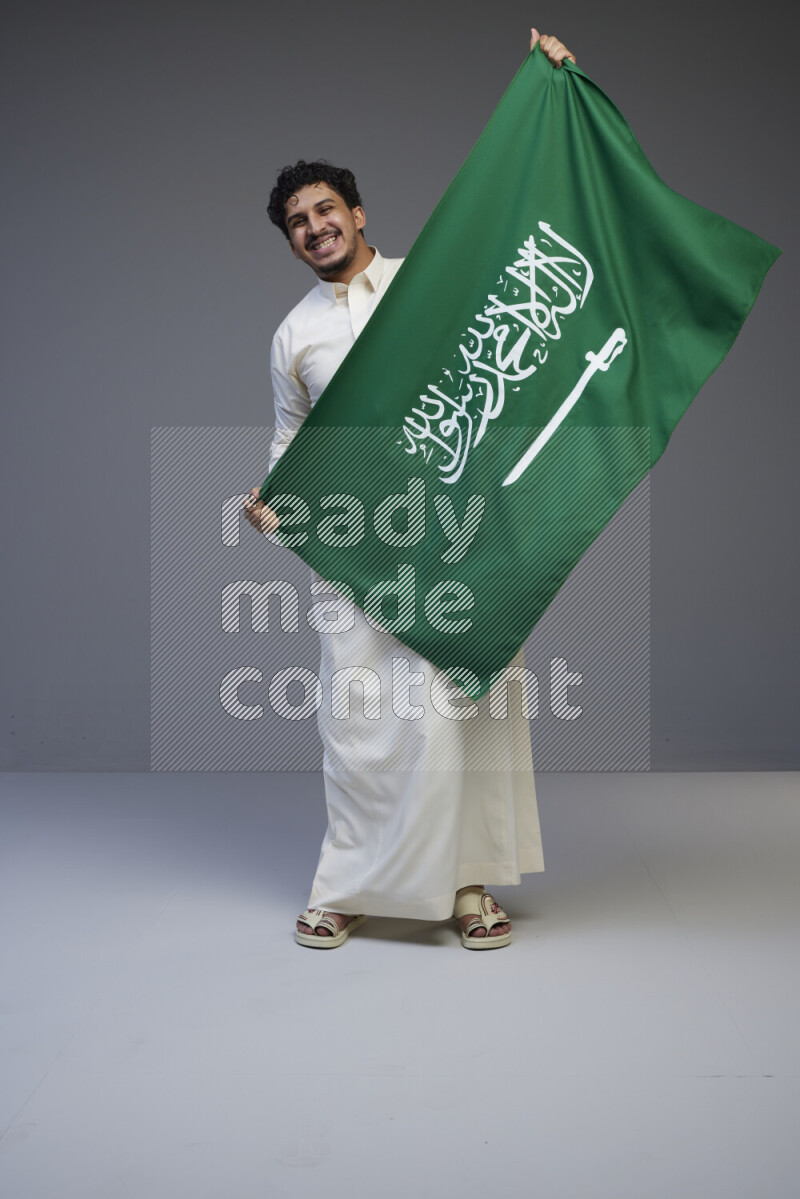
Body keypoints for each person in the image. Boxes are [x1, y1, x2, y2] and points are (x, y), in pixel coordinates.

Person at [244, 29, 576, 949]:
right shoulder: (292, 337)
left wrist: (550, 94)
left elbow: (515, 233)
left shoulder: (425, 285)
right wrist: (271, 501)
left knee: (456, 704)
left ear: (357, 209)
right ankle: (347, 884)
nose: (314, 229)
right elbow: (289, 442)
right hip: (355, 540)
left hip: (456, 532)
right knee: (357, 713)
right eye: (297, 224)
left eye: (325, 211)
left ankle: (469, 886)